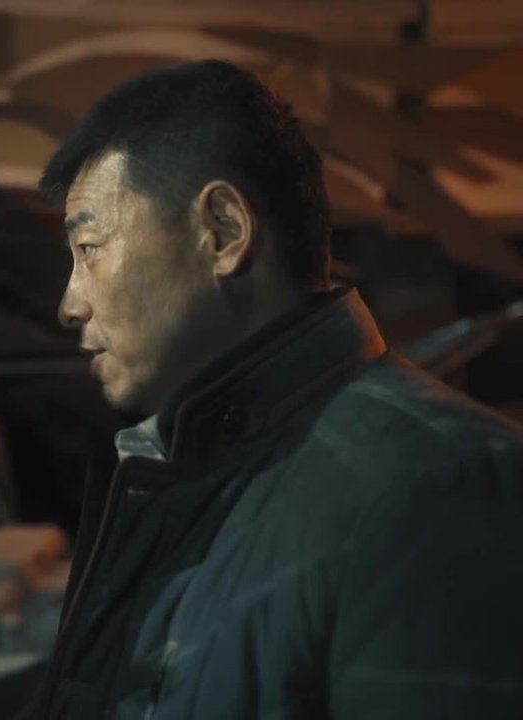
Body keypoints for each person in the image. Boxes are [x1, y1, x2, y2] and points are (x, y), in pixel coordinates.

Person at [30, 60, 523, 718]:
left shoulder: (441, 483)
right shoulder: (188, 472)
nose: (69, 304)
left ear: (223, 231)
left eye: (90, 248)